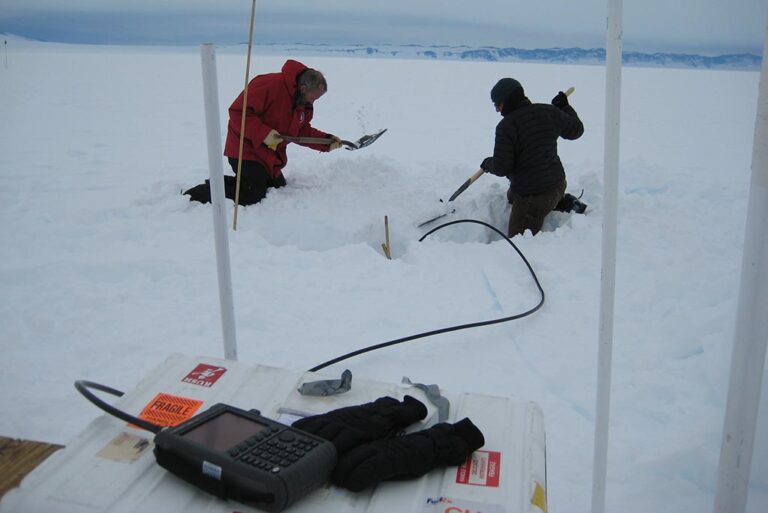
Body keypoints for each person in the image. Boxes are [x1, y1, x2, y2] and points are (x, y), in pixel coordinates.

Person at [184, 59, 342, 205]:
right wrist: (265, 135)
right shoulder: (269, 84)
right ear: (303, 88)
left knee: (277, 188)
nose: (312, 102)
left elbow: (300, 131)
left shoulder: (301, 102)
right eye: (313, 98)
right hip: (245, 150)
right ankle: (194, 195)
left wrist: (327, 141)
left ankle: (221, 184)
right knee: (252, 195)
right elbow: (238, 112)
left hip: (269, 155)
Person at [479, 78, 586, 237]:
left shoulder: (506, 127)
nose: (497, 110)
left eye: (498, 104)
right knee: (511, 196)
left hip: (533, 197)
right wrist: (565, 107)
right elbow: (576, 130)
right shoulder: (549, 111)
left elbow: (502, 167)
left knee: (518, 242)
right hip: (558, 183)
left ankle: (557, 203)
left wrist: (488, 164)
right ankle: (562, 201)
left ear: (509, 100)